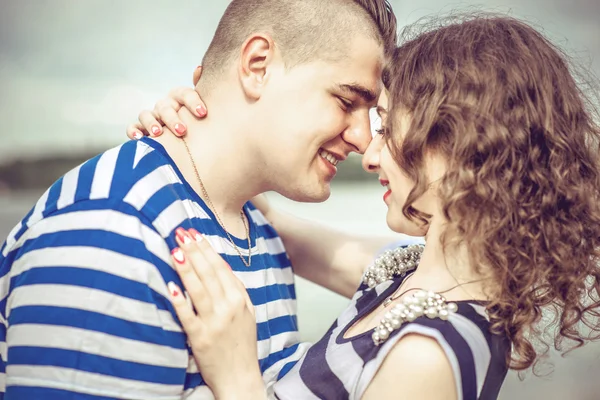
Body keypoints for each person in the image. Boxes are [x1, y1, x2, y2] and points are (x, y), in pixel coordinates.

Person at [131, 14, 600, 399]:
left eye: (389, 130)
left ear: (461, 151)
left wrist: (237, 380)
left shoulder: (426, 356)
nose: (370, 153)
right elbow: (272, 223)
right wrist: (204, 121)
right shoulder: (409, 278)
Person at [0, 1, 399, 398]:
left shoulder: (259, 233)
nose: (364, 140)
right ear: (258, 66)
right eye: (346, 102)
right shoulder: (108, 234)